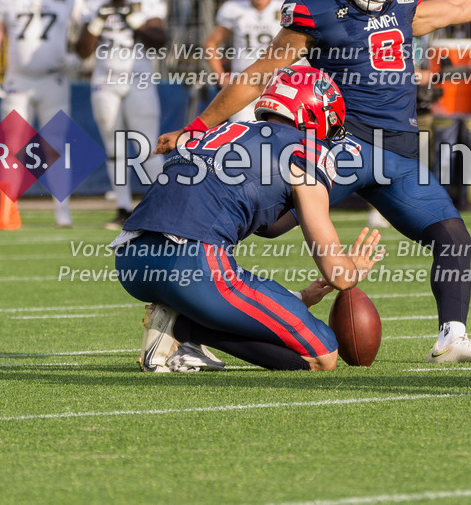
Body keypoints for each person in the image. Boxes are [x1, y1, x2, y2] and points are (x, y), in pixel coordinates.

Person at [155, 0, 471, 364]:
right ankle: (187, 305)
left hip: (399, 150)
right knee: (266, 221)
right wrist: (201, 124)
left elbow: (456, 8)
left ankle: (452, 337)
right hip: (343, 143)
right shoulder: (316, 11)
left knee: (453, 237)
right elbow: (258, 75)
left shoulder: (402, 1)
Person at [115, 66, 384, 372]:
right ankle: (183, 330)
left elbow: (252, 219)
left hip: (131, 260)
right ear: (314, 113)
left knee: (234, 292)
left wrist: (299, 298)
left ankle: (181, 328)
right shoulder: (306, 150)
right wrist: (352, 271)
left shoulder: (215, 133)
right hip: (192, 264)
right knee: (322, 353)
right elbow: (336, 271)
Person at [0, 0, 88, 227]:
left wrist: (78, 56)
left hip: (53, 79)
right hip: (18, 79)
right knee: (12, 145)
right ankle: (5, 208)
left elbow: (87, 32)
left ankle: (62, 210)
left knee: (54, 146)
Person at [76, 0, 168, 231]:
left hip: (139, 78)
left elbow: (159, 41)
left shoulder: (148, 1)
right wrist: (96, 23)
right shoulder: (95, 5)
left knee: (147, 146)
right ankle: (122, 207)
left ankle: (166, 205)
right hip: (105, 80)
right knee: (114, 148)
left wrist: (135, 21)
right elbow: (82, 51)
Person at [204, 0, 285, 122]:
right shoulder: (234, 9)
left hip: (276, 84)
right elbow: (211, 43)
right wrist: (221, 76)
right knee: (242, 137)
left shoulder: (284, 7)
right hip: (243, 83)